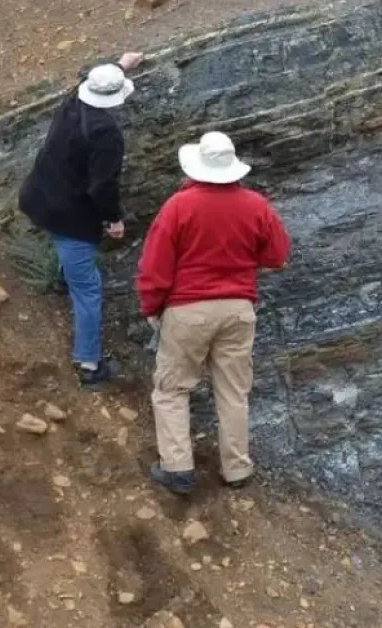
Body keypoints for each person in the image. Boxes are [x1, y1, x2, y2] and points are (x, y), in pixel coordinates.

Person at [136, 131, 290, 496]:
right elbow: (277, 255)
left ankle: (178, 468)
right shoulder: (255, 205)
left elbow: (155, 266)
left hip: (188, 310)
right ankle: (236, 468)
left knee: (172, 389)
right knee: (234, 391)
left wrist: (151, 306)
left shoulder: (179, 206)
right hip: (238, 309)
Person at [19, 52, 144, 386]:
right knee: (88, 290)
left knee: (69, 259)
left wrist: (120, 65)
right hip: (69, 217)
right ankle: (88, 363)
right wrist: (113, 219)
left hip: (38, 197)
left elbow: (93, 79)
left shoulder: (72, 101)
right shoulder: (107, 134)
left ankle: (61, 280)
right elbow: (102, 186)